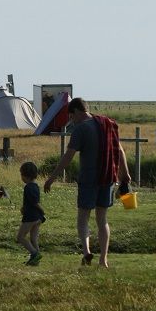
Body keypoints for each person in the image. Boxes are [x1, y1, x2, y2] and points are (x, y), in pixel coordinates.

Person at [44, 98, 131, 268]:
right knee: (102, 219)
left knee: (83, 218)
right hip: (108, 178)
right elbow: (120, 150)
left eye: (71, 116)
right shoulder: (108, 124)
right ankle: (103, 260)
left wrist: (52, 178)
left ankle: (86, 252)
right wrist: (125, 173)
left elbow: (68, 157)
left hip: (89, 180)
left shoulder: (81, 129)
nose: (72, 120)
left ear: (76, 111)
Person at [18, 162, 46, 266]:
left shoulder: (28, 187)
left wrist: (42, 210)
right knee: (33, 238)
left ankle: (34, 254)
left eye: (22, 175)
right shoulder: (36, 186)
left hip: (30, 217)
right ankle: (36, 261)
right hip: (38, 218)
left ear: (26, 176)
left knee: (20, 237)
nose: (21, 177)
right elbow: (31, 201)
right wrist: (24, 207)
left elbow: (35, 202)